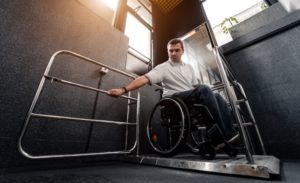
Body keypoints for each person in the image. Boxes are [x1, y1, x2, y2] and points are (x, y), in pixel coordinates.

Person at [107, 38, 238, 147]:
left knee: (216, 96)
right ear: (168, 51)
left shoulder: (189, 67)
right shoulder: (163, 67)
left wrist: (208, 92)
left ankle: (228, 134)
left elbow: (196, 86)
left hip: (191, 98)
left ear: (182, 51)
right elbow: (144, 78)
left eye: (177, 50)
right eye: (171, 51)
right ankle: (219, 135)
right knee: (204, 89)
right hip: (174, 100)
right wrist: (123, 90)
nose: (174, 53)